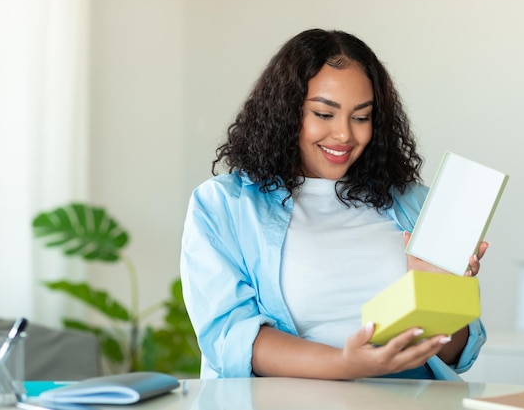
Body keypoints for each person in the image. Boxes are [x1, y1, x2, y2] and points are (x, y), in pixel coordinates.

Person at [180, 28, 487, 380]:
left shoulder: (413, 201)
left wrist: (442, 299)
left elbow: (452, 355)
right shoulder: (223, 205)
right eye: (324, 114)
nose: (344, 134)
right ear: (286, 113)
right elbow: (230, 337)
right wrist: (345, 365)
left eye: (361, 117)